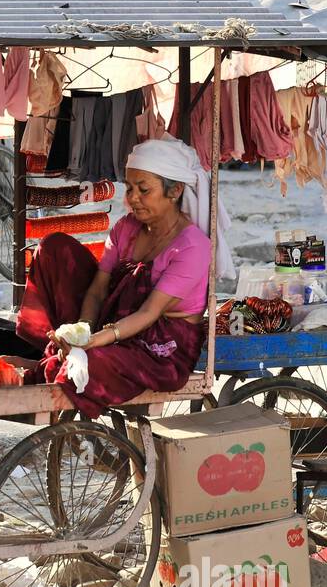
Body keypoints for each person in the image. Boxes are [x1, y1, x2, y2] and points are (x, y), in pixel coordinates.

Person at [15, 137, 213, 417]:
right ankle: (62, 347)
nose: (133, 198)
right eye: (130, 188)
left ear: (175, 190)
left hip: (159, 350)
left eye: (144, 190)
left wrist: (94, 341)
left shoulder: (192, 247)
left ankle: (67, 364)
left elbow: (148, 312)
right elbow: (98, 289)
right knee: (53, 248)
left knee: (87, 363)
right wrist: (82, 328)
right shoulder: (127, 228)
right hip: (115, 321)